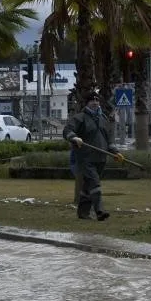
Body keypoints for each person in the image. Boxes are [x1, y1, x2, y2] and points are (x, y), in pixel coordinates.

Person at [63, 91, 125, 221]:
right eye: (92, 100)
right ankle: (100, 211)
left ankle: (83, 213)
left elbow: (110, 140)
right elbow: (67, 131)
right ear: (87, 103)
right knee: (95, 183)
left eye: (97, 100)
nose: (95, 103)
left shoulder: (104, 119)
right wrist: (74, 138)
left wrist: (116, 152)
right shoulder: (79, 118)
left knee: (88, 186)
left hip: (101, 158)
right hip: (86, 158)